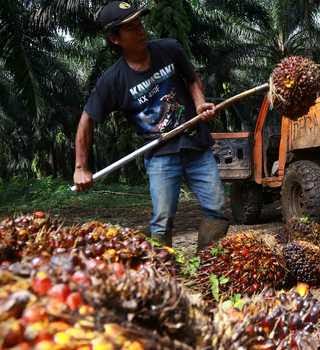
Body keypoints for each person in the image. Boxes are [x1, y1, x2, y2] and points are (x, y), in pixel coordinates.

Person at [73, 1, 229, 251]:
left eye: (140, 23)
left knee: (218, 210)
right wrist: (81, 167)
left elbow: (192, 79)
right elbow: (86, 121)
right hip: (160, 155)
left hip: (195, 145)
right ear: (115, 39)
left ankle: (207, 268)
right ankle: (164, 274)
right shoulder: (113, 80)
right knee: (161, 222)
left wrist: (199, 103)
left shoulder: (169, 49)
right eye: (131, 28)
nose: (141, 30)